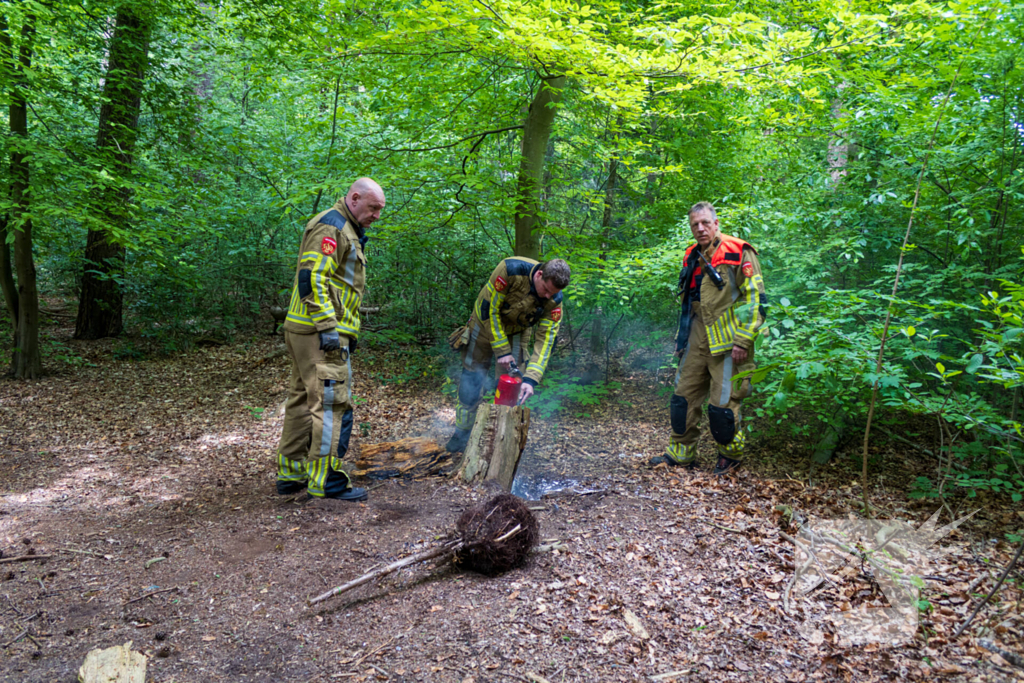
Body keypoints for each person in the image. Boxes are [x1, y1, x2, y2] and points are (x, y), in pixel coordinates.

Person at [275, 178, 385, 500]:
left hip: (306, 328)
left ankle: (291, 472)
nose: (377, 215)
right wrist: (329, 329)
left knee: (301, 400)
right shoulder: (333, 227)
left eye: (380, 209)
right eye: (373, 207)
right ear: (354, 198)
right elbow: (312, 278)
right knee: (330, 404)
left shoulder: (345, 227)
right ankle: (325, 480)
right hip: (318, 332)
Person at [651, 202, 767, 474]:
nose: (700, 228)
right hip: (696, 335)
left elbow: (756, 300)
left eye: (705, 222)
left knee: (723, 406)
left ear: (716, 223)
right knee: (683, 398)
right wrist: (681, 340)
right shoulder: (692, 255)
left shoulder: (739, 251)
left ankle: (730, 456)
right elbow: (688, 301)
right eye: (695, 224)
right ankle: (681, 453)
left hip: (729, 341)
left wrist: (743, 340)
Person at [445, 257, 571, 452]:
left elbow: (546, 340)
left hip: (517, 332)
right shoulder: (510, 270)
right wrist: (502, 350)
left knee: (510, 387)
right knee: (471, 383)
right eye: (546, 289)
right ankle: (461, 435)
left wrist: (531, 379)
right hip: (482, 325)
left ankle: (498, 441)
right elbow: (490, 311)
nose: (548, 296)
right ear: (539, 275)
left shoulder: (555, 300)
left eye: (552, 293)